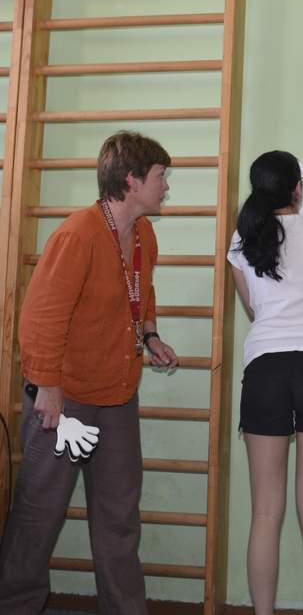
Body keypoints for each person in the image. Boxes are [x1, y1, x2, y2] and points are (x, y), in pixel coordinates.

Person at [0, 131, 179, 614]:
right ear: (131, 180)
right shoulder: (78, 234)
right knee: (39, 513)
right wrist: (48, 387)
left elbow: (140, 292)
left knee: (119, 517)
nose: (166, 186)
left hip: (117, 397)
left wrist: (150, 336)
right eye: (160, 176)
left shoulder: (143, 235)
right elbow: (40, 318)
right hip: (64, 398)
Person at [227, 151, 303, 615]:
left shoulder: (242, 240)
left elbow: (253, 308)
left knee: (264, 512)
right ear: (298, 188)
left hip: (265, 369)